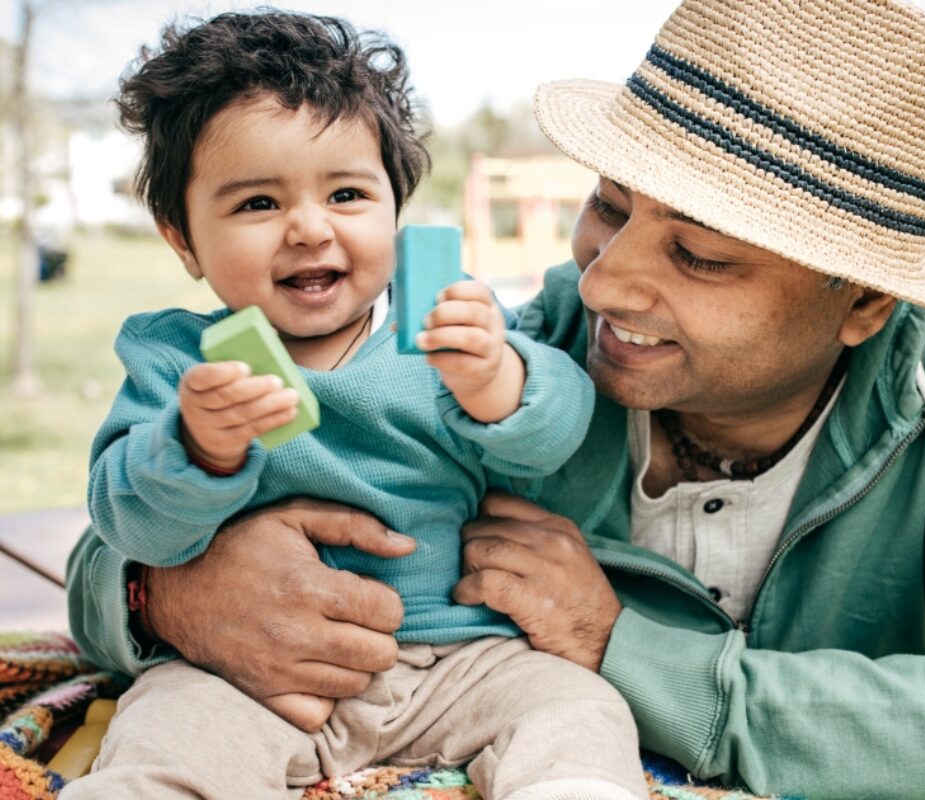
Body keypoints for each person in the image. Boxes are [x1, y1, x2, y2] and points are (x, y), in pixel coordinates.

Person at [66, 0, 925, 797]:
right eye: (610, 208)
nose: (606, 284)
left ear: (862, 300)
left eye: (698, 256)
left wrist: (626, 650)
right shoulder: (521, 348)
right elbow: (105, 541)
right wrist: (163, 592)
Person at [62, 11, 651, 800]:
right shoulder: (179, 361)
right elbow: (129, 524)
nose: (310, 229)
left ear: (394, 209)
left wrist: (496, 382)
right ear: (182, 238)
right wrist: (196, 449)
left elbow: (554, 437)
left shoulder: (437, 331)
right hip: (249, 681)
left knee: (576, 707)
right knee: (167, 727)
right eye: (257, 205)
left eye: (346, 193)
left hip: (460, 662)